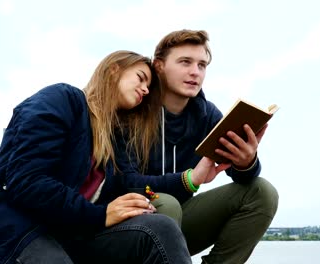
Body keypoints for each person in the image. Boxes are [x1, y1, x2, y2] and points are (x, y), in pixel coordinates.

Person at [0, 50, 194, 264]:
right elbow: (27, 181)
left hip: (78, 234)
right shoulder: (61, 99)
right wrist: (100, 214)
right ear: (113, 70)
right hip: (25, 228)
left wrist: (191, 178)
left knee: (161, 228)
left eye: (148, 87)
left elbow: (131, 182)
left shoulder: (113, 140)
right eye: (141, 78)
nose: (145, 89)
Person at [114, 30, 279, 264]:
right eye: (185, 62)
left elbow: (243, 176)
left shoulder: (207, 115)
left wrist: (246, 161)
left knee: (262, 192)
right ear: (159, 66)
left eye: (202, 65)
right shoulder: (132, 107)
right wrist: (189, 180)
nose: (195, 72)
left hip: (179, 221)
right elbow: (123, 182)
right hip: (126, 227)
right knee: (166, 203)